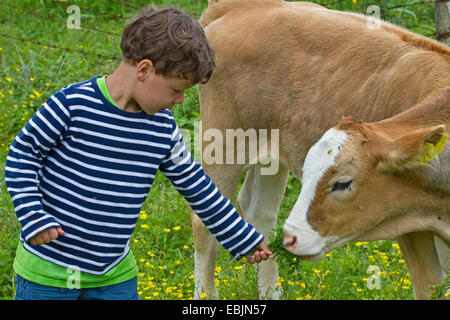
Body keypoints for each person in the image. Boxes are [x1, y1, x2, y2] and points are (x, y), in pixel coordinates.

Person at [5, 5, 273, 300]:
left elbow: (198, 187)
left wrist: (239, 235)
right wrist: (33, 215)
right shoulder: (72, 105)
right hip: (48, 273)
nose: (181, 101)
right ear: (144, 70)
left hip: (114, 275)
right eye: (175, 90)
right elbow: (22, 156)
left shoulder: (162, 129)